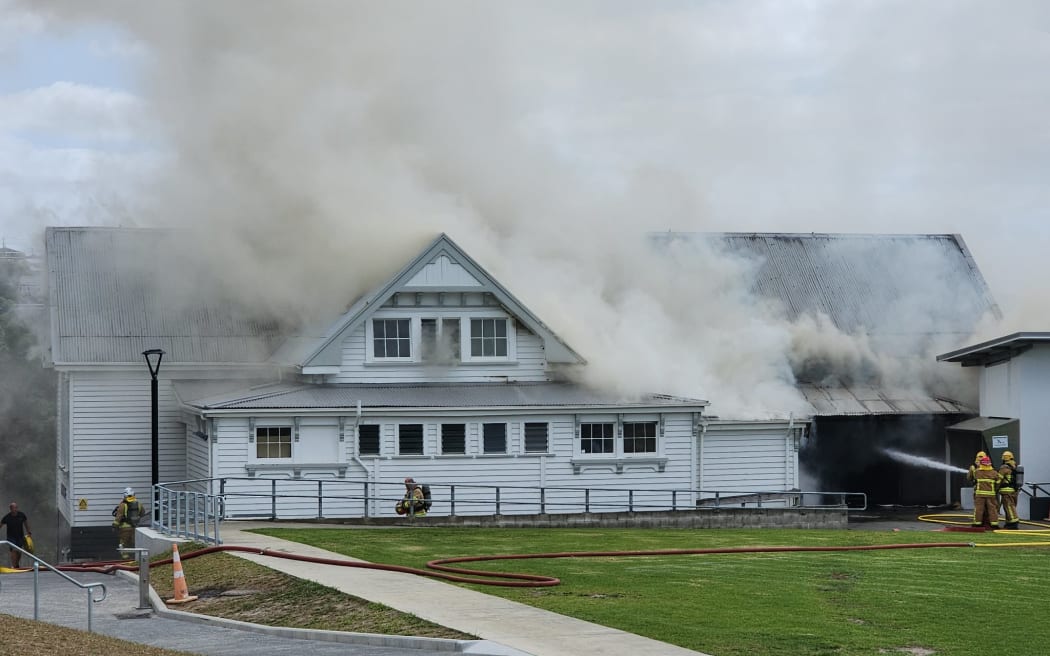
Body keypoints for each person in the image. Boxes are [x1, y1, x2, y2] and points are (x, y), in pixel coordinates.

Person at [971, 456, 999, 530]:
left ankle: (977, 524)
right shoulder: (994, 472)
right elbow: (998, 482)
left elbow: (971, 477)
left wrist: (974, 467)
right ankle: (994, 524)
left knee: (979, 509)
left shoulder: (977, 472)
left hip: (980, 494)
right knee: (992, 509)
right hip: (991, 495)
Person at [1, 502, 31, 568]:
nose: (13, 509)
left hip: (20, 536)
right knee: (13, 550)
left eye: (14, 508)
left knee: (19, 551)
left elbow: (26, 523)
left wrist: (29, 532)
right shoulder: (7, 517)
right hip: (11, 537)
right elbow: (1, 525)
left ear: (17, 508)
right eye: (11, 508)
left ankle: (16, 564)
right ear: (10, 509)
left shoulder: (21, 515)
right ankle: (14, 565)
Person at [997, 451, 1020, 529]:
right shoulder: (1015, 465)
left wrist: (995, 487)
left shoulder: (1004, 467)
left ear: (1003, 458)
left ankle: (1013, 523)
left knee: (1009, 506)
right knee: (1011, 506)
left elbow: (999, 479)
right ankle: (1009, 522)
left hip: (1006, 491)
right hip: (1014, 490)